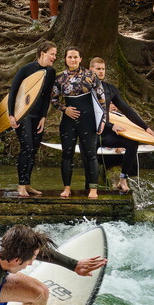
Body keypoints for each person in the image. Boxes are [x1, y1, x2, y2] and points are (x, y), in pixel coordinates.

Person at [90, 57, 154, 193]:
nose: (101, 72)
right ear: (90, 70)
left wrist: (146, 127)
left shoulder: (110, 89)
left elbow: (127, 110)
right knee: (90, 157)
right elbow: (90, 114)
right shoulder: (86, 89)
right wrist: (111, 126)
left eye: (103, 69)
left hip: (106, 134)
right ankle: (91, 187)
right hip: (91, 133)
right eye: (98, 69)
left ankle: (123, 179)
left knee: (132, 143)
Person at [50, 47, 106, 199]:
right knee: (67, 155)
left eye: (75, 57)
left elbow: (101, 99)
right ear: (66, 59)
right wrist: (64, 109)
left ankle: (93, 189)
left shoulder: (90, 75)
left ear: (81, 59)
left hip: (88, 120)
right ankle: (66, 188)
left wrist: (102, 121)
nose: (72, 60)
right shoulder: (60, 77)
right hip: (68, 121)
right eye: (70, 57)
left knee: (91, 154)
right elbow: (53, 100)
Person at [8, 41, 58, 197]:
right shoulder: (26, 69)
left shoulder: (51, 72)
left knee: (34, 150)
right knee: (27, 148)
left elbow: (46, 97)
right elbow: (13, 92)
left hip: (38, 116)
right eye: (52, 54)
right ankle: (21, 185)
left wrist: (44, 116)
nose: (54, 57)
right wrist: (11, 114)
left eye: (55, 55)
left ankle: (27, 184)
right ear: (42, 53)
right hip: (24, 115)